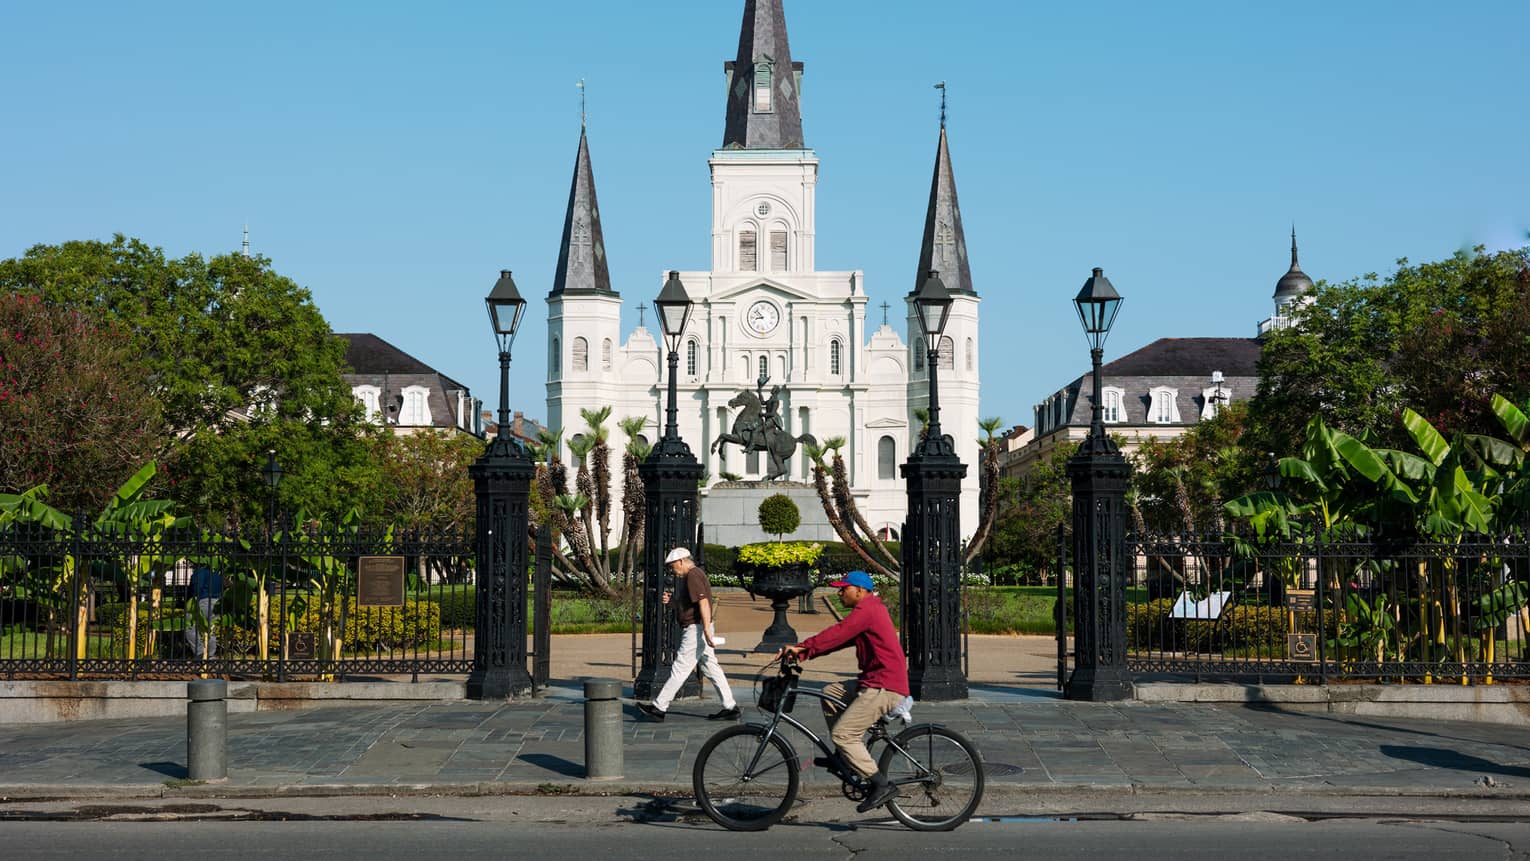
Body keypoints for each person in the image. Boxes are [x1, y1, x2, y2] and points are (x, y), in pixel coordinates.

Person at [779, 570, 908, 813]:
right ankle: (845, 759)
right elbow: (836, 641)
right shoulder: (868, 610)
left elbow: (836, 633)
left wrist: (800, 647)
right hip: (872, 681)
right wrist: (802, 652)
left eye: (843, 588)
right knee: (831, 693)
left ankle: (881, 785)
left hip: (884, 685)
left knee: (843, 734)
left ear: (859, 590)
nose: (839, 593)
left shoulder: (868, 610)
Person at [638, 547, 739, 722]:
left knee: (680, 668)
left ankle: (659, 707)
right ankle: (730, 706)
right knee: (711, 668)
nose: (672, 570)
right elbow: (694, 605)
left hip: (696, 629)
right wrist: (674, 603)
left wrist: (706, 629)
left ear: (681, 561)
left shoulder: (692, 575)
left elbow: (704, 602)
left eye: (672, 566)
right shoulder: (695, 574)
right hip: (699, 627)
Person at [186, 565, 223, 659]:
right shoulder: (217, 572)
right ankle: (210, 656)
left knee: (189, 626)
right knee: (211, 630)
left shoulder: (201, 571)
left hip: (203, 601)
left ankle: (200, 653)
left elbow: (197, 588)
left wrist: (192, 600)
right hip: (217, 601)